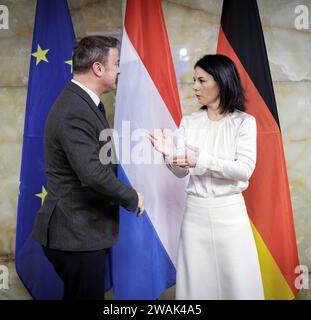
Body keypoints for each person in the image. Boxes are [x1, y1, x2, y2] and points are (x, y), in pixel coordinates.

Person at [31, 35, 145, 300]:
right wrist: (133, 197)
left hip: (82, 233)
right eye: (117, 63)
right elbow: (92, 174)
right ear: (98, 68)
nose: (119, 70)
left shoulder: (85, 103)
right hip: (75, 234)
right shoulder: (75, 109)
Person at [147, 54, 264, 299]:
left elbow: (244, 170)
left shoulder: (244, 123)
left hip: (230, 216)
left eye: (201, 80)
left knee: (238, 282)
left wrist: (201, 160)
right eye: (194, 80)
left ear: (220, 82)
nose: (195, 87)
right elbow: (181, 172)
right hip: (195, 216)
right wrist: (170, 155)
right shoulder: (190, 122)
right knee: (197, 286)